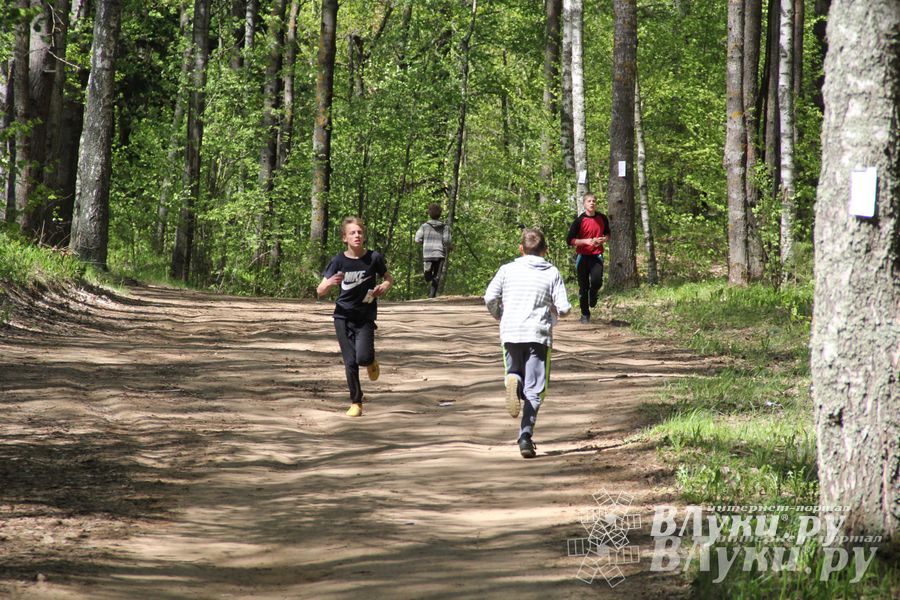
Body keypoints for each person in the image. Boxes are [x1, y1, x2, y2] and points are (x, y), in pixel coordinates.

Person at [484, 227, 571, 458]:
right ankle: (525, 437)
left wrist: (498, 315)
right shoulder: (551, 272)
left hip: (511, 332)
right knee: (536, 391)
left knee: (514, 371)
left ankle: (514, 380)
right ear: (545, 250)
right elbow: (564, 308)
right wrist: (555, 315)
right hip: (538, 334)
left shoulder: (506, 270)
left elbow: (490, 297)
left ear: (521, 249)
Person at [317, 217, 394, 417]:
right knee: (350, 361)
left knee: (363, 357)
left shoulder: (374, 258)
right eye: (352, 233)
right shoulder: (338, 261)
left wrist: (384, 286)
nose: (357, 236)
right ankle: (356, 401)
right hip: (342, 316)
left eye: (359, 232)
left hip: (365, 315)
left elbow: (388, 277)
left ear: (364, 236)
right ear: (345, 238)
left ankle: (371, 361)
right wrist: (330, 283)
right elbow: (320, 290)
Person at [566, 193, 610, 324]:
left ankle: (594, 293)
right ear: (584, 204)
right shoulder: (579, 221)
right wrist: (586, 242)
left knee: (597, 282)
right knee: (583, 286)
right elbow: (570, 240)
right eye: (589, 201)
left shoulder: (602, 218)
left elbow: (608, 233)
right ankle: (585, 314)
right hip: (582, 256)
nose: (592, 203)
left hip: (597, 255)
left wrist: (604, 239)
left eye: (594, 201)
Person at [414, 203, 452, 298]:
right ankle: (432, 296)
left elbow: (417, 239)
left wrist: (423, 242)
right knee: (437, 276)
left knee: (428, 276)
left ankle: (427, 273)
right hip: (439, 254)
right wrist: (449, 246)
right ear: (440, 214)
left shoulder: (424, 226)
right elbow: (447, 240)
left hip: (427, 253)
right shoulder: (445, 227)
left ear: (429, 213)